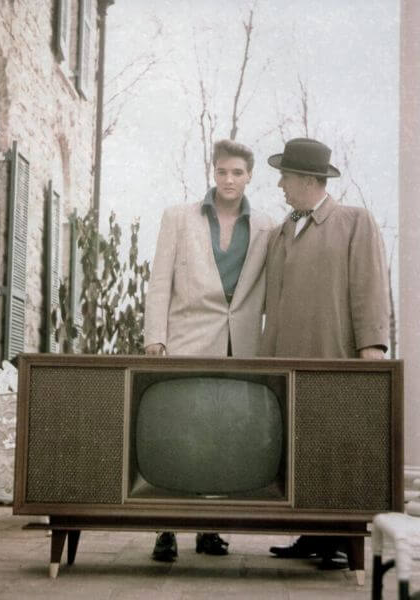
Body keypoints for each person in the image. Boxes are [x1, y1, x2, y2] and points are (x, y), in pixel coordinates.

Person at [259, 137, 391, 569]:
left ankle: (337, 538)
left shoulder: (355, 222)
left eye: (285, 176)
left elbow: (370, 287)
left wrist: (371, 346)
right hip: (286, 359)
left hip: (334, 354)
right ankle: (311, 534)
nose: (280, 184)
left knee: (335, 447)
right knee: (299, 447)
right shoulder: (282, 230)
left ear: (308, 179)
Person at [143, 138, 275, 562]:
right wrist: (154, 336)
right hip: (186, 337)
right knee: (181, 430)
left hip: (240, 343)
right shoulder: (178, 218)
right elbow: (160, 281)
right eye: (222, 172)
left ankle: (209, 528)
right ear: (212, 172)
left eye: (237, 172)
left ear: (250, 175)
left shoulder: (267, 226)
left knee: (222, 435)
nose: (229, 180)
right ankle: (165, 529)